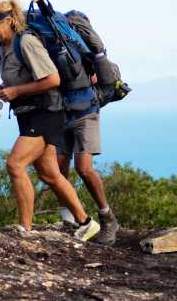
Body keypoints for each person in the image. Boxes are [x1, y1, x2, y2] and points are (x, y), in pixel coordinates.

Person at [0, 1, 100, 240]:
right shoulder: (4, 46)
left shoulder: (27, 42)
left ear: (9, 20)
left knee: (15, 164)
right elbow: (19, 77)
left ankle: (25, 229)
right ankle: (86, 222)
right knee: (49, 173)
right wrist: (2, 88)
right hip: (28, 113)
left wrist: (16, 92)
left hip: (47, 112)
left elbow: (53, 79)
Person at [56, 99, 119, 245]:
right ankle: (69, 222)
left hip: (85, 114)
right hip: (60, 114)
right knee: (58, 170)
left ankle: (108, 218)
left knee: (83, 168)